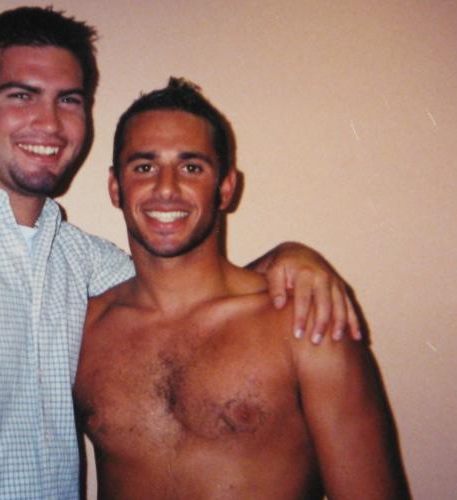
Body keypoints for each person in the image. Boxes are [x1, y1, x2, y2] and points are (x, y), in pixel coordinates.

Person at [0, 8, 359, 500]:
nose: (49, 122)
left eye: (69, 100)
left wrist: (292, 257)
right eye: (21, 96)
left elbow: (188, 292)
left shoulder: (83, 262)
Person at [73, 78, 409, 499]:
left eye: (191, 167)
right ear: (115, 187)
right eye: (144, 167)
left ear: (226, 188)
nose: (166, 187)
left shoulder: (303, 322)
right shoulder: (84, 331)